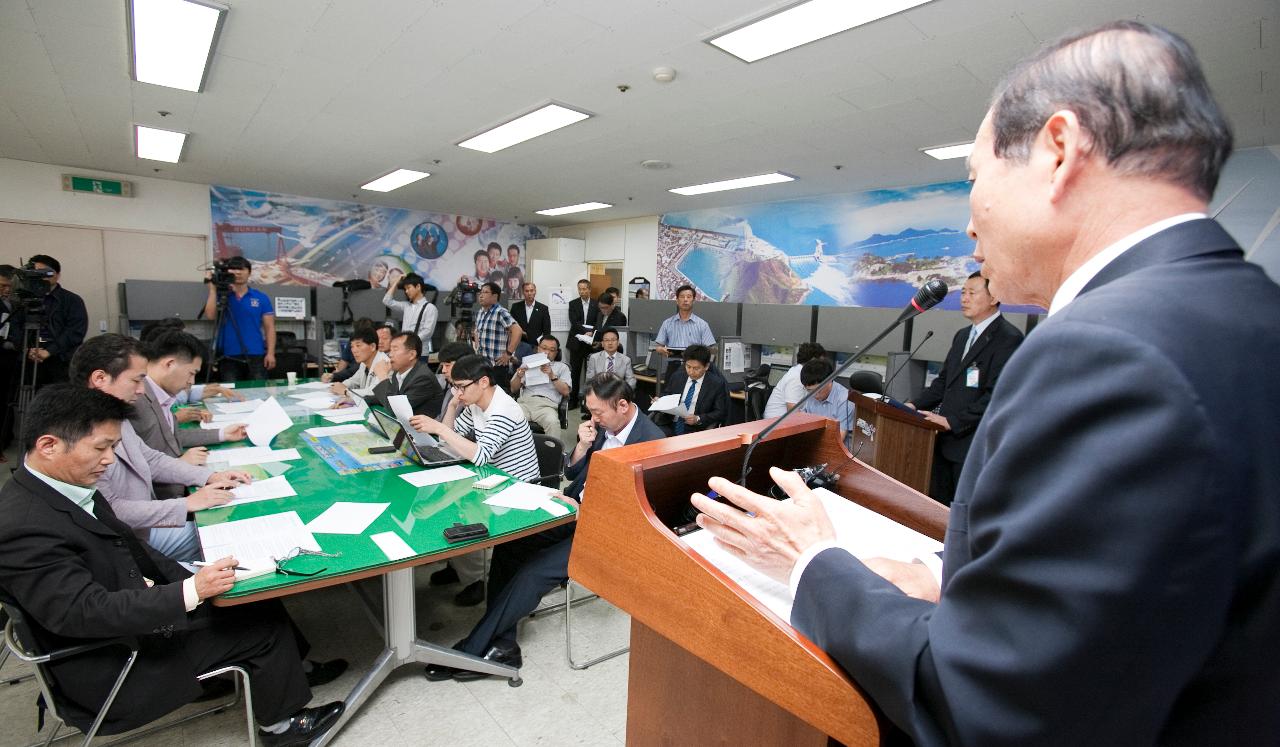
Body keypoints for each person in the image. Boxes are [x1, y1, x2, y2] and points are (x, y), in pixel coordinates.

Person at [690, 21, 1280, 745]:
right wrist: (953, 583)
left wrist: (814, 561)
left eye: (974, 177)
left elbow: (990, 705)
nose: (970, 223)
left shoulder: (1103, 352)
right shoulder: (1249, 312)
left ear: (1058, 151)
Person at [0, 384, 344, 746]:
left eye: (113, 448)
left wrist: (194, 581)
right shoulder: (23, 525)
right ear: (49, 445)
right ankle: (283, 728)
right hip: (114, 661)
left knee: (249, 593)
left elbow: (135, 551)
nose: (109, 460)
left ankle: (290, 673)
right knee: (261, 623)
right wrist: (189, 591)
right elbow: (82, 612)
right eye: (101, 448)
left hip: (130, 618)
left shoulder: (62, 487)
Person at [424, 373, 664, 681]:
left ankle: (474, 649)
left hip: (608, 533)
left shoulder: (652, 441)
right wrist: (582, 446)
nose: (594, 419)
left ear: (623, 405)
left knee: (532, 571)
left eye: (598, 413)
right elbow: (576, 472)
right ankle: (503, 641)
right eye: (590, 411)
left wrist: (589, 512)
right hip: (574, 511)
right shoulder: (607, 426)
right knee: (510, 542)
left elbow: (645, 512)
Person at [70, 334, 249, 563]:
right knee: (225, 542)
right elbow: (110, 509)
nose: (142, 390)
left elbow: (151, 459)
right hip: (121, 549)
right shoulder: (79, 434)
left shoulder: (114, 415)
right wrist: (187, 504)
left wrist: (210, 476)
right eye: (136, 380)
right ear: (100, 378)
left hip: (141, 532)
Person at [409, 354, 541, 605]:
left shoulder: (504, 409)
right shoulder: (475, 405)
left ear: (482, 382)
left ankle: (478, 579)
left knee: (455, 509)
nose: (457, 392)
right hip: (492, 478)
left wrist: (438, 428)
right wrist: (450, 408)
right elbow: (450, 438)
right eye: (454, 387)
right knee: (447, 501)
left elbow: (480, 455)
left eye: (461, 387)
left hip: (516, 486)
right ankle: (460, 566)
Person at [907, 271, 1023, 504]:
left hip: (974, 444)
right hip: (942, 441)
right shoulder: (962, 336)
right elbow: (943, 383)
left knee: (964, 510)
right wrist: (910, 406)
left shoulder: (1008, 338)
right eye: (962, 292)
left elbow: (998, 395)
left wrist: (953, 422)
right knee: (936, 507)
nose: (964, 298)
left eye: (972, 293)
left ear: (994, 298)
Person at [131, 331, 248, 499]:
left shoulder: (161, 394)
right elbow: (133, 467)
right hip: (161, 497)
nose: (191, 382)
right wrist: (180, 464)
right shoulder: (136, 399)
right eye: (191, 373)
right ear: (170, 364)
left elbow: (172, 436)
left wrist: (223, 434)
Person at [202, 256, 276, 381]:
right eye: (233, 269)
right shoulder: (222, 296)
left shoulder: (261, 297)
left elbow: (270, 328)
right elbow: (210, 316)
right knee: (233, 395)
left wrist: (270, 353)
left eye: (241, 269)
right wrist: (213, 290)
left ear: (249, 272)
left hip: (256, 353)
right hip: (228, 355)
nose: (237, 272)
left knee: (259, 392)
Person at [23, 254, 88, 389]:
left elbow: (75, 332)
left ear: (57, 275)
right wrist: (26, 349)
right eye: (36, 272)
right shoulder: (24, 299)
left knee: (60, 401)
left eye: (45, 271)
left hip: (61, 360)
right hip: (28, 360)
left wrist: (49, 351)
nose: (41, 276)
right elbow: (16, 327)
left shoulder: (72, 300)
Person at [653, 344, 728, 436]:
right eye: (688, 366)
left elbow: (720, 412)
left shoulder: (716, 384)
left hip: (696, 429)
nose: (691, 372)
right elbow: (667, 394)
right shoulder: (677, 376)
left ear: (706, 366)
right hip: (670, 423)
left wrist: (698, 419)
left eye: (696, 368)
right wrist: (659, 400)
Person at [363, 332, 442, 417]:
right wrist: (363, 400)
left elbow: (394, 411)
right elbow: (391, 398)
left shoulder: (423, 378)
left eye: (395, 349)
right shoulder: (397, 373)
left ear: (411, 355)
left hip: (422, 429)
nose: (390, 354)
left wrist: (383, 376)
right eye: (390, 350)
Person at [510, 336, 571, 434]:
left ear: (556, 353)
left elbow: (566, 391)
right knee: (508, 418)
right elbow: (513, 389)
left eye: (552, 350)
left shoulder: (562, 367)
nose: (547, 352)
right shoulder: (527, 364)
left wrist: (552, 375)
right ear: (538, 348)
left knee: (552, 422)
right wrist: (519, 376)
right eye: (544, 348)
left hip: (547, 406)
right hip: (525, 403)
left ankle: (553, 450)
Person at [470, 282, 521, 390]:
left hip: (497, 367)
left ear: (495, 296)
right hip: (483, 365)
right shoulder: (480, 312)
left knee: (498, 399)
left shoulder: (500, 312)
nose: (481, 295)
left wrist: (508, 353)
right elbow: (478, 333)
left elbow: (517, 331)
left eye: (485, 292)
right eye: (481, 292)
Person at [762, 343, 827, 418]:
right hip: (776, 423)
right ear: (812, 360)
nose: (822, 367)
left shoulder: (800, 371)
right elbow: (793, 412)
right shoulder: (797, 377)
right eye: (820, 363)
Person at [797, 357, 854, 442]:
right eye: (809, 390)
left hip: (835, 450)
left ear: (830, 381)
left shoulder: (845, 401)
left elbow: (838, 439)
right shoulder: (809, 395)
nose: (814, 395)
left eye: (818, 390)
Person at [382, 272, 437, 357]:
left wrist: (409, 342)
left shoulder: (430, 308)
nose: (406, 291)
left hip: (420, 353)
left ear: (418, 287)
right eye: (405, 289)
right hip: (404, 352)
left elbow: (427, 332)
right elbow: (386, 301)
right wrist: (396, 282)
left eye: (408, 288)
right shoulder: (406, 306)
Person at [654, 284, 715, 357]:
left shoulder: (702, 324)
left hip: (694, 365)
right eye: (682, 297)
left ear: (694, 301)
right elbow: (658, 346)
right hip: (673, 363)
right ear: (677, 300)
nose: (685, 300)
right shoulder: (667, 323)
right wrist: (661, 349)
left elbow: (709, 349)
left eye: (689, 297)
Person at [328, 328, 388, 396]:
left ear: (372, 347)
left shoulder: (384, 363)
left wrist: (345, 391)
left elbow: (374, 392)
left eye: (358, 345)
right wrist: (341, 385)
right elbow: (354, 381)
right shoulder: (364, 363)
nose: (354, 350)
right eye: (352, 346)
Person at [566, 279, 594, 408]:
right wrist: (586, 331)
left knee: (591, 374)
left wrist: (591, 333)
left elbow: (597, 322)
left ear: (589, 289)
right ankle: (573, 400)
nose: (581, 291)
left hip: (590, 344)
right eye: (580, 289)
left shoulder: (596, 304)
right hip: (576, 343)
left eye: (584, 289)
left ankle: (588, 402)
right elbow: (574, 322)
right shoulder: (573, 304)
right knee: (575, 373)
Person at [510, 282, 551, 348]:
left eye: (531, 290)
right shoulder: (515, 307)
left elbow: (547, 331)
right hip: (519, 344)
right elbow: (511, 325)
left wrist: (543, 345)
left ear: (535, 291)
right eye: (526, 291)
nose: (529, 293)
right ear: (523, 292)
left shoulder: (543, 308)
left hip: (536, 346)